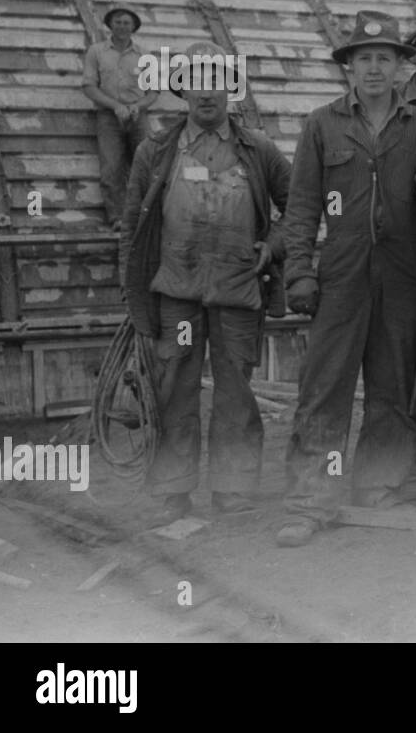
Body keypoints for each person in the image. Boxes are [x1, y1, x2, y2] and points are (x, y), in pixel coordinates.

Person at [278, 12, 416, 547]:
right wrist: (299, 271)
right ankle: (309, 500)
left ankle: (378, 488)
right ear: (348, 69)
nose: (372, 68)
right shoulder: (322, 125)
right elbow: (300, 207)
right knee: (324, 389)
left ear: (398, 70)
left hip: (404, 275)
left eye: (383, 59)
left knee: (392, 389)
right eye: (362, 59)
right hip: (341, 273)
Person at [121, 41, 290, 525]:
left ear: (229, 88)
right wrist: (132, 294)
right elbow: (132, 225)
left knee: (236, 387)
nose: (207, 92)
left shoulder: (258, 149)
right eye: (196, 81)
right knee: (176, 385)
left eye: (216, 80)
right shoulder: (156, 151)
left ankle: (233, 490)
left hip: (238, 291)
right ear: (183, 90)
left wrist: (272, 247)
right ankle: (173, 491)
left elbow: (297, 207)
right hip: (177, 291)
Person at [83, 6, 157, 227]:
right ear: (110, 26)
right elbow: (89, 86)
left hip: (138, 116)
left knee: (148, 165)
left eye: (127, 23)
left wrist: (137, 106)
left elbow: (153, 91)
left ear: (134, 27)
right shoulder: (96, 52)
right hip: (108, 116)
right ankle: (118, 218)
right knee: (111, 167)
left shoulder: (145, 55)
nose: (122, 26)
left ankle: (148, 217)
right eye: (118, 22)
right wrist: (115, 105)